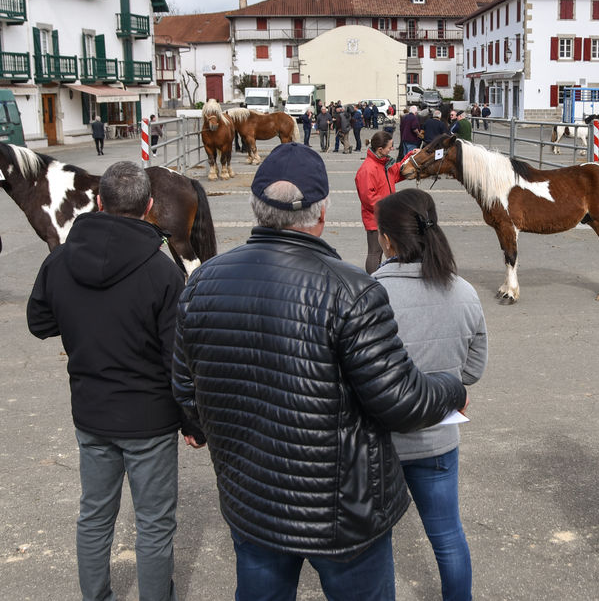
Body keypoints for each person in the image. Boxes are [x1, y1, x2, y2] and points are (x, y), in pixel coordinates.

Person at [172, 142, 468, 601]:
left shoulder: (202, 283)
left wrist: (210, 429)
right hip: (343, 511)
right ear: (322, 214)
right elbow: (400, 400)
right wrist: (451, 389)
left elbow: (186, 388)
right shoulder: (353, 289)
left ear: (256, 210)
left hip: (251, 499)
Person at [27, 161, 204, 601]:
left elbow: (39, 322)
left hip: (91, 410)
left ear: (100, 202)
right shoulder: (164, 272)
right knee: (155, 522)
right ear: (149, 207)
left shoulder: (61, 259)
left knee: (94, 516)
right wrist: (193, 420)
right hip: (150, 418)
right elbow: (176, 357)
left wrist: (82, 323)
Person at [373, 188, 488, 601]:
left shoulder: (369, 293)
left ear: (386, 239)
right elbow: (473, 369)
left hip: (380, 440)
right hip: (439, 436)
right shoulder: (463, 291)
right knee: (448, 536)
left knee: (375, 541)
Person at [355, 131, 403, 273]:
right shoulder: (368, 168)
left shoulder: (382, 163)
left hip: (385, 215)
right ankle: (373, 282)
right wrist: (388, 209)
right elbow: (368, 198)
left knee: (383, 251)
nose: (392, 149)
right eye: (390, 146)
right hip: (375, 217)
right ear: (380, 149)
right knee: (375, 252)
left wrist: (411, 156)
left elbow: (397, 172)